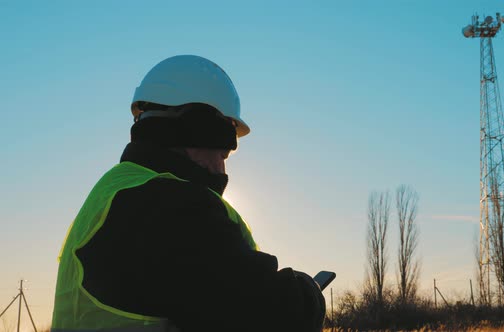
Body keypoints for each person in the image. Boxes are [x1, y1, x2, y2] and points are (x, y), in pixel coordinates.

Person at [51, 54, 326, 332]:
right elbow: (273, 312)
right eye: (223, 148)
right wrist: (310, 292)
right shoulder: (169, 205)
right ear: (196, 127)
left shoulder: (117, 190)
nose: (223, 165)